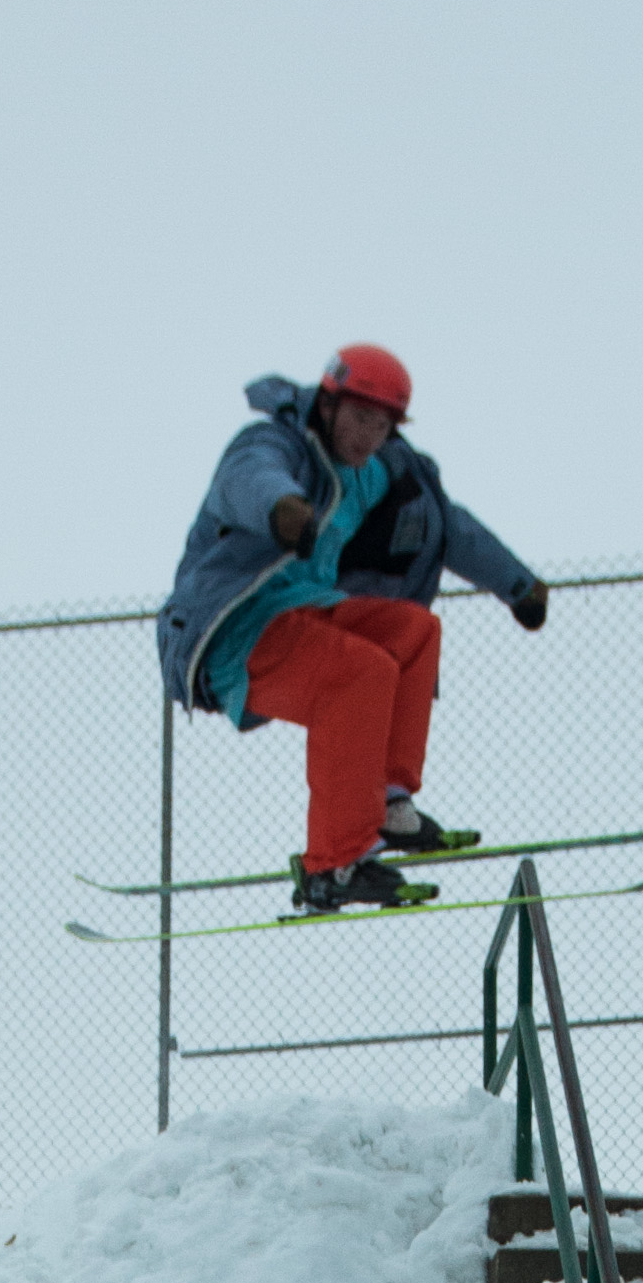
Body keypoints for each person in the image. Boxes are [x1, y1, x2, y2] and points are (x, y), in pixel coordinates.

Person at [159, 346, 549, 910]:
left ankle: (388, 804)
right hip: (230, 630)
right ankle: (333, 865)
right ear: (329, 403)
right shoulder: (277, 443)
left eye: (384, 424)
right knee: (358, 672)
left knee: (412, 633)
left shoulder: (375, 471)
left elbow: (445, 524)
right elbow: (248, 479)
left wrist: (516, 584)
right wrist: (283, 508)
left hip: (307, 610)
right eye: (361, 417)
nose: (370, 436)